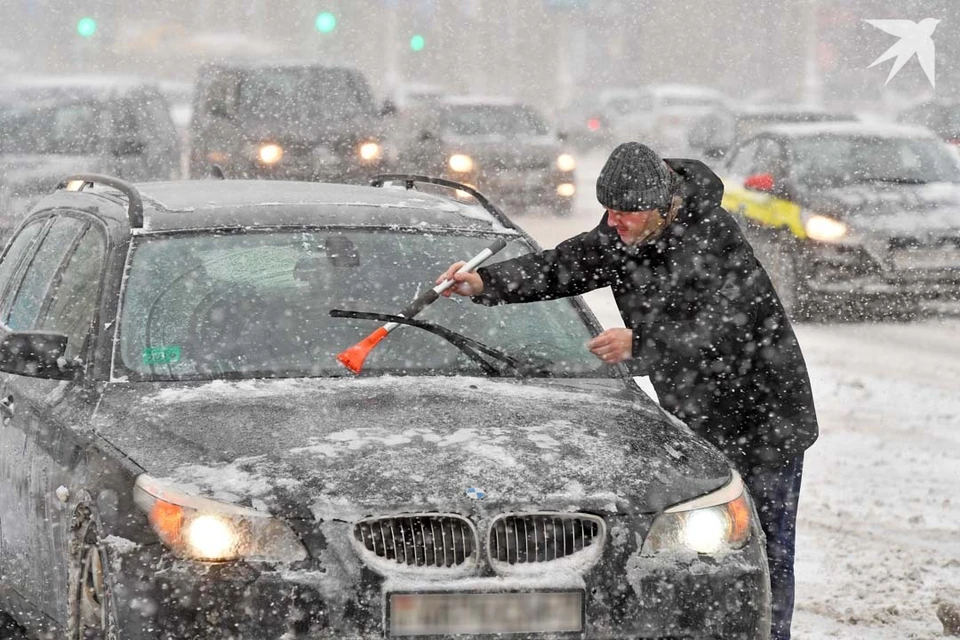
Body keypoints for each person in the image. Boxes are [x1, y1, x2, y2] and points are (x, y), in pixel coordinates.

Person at [437, 141, 818, 640]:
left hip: (764, 417)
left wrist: (642, 341)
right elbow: (563, 266)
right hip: (696, 413)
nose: (614, 222)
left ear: (662, 207)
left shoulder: (710, 238)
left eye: (626, 213)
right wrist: (486, 283)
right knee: (699, 549)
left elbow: (731, 328)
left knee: (764, 549)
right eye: (608, 211)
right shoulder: (625, 232)